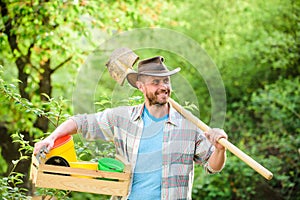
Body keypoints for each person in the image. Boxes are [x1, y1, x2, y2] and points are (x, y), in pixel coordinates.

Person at [34, 55, 228, 200]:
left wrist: (220, 149)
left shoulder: (188, 124)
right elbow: (80, 122)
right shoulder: (122, 118)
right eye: (156, 82)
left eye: (166, 80)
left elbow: (212, 166)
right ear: (141, 87)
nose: (163, 86)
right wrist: (51, 137)